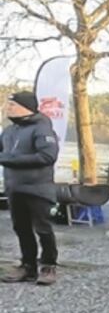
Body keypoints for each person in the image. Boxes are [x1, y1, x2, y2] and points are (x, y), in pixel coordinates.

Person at [0, 91, 59, 285]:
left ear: (25, 107)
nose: (8, 108)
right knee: (21, 229)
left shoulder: (42, 128)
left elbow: (47, 156)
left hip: (37, 189)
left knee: (43, 229)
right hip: (14, 188)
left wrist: (10, 160)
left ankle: (49, 265)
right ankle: (28, 266)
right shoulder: (9, 131)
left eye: (12, 105)